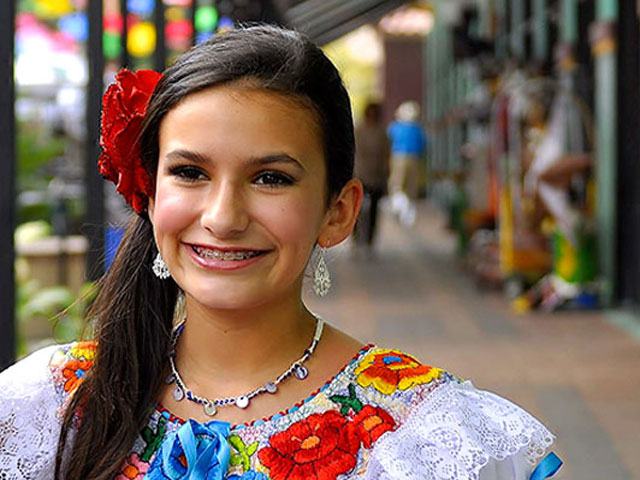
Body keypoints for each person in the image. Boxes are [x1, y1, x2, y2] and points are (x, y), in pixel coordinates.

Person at [0, 25, 562, 480]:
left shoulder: (430, 437)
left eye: (270, 178)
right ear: (149, 194)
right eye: (190, 172)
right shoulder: (50, 406)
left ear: (338, 211)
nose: (222, 217)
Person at [353, 101, 390, 252]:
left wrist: (386, 175)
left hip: (376, 176)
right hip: (360, 174)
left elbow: (386, 155)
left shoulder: (382, 132)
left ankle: (369, 241)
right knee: (356, 208)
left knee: (374, 209)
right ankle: (356, 239)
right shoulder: (358, 130)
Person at [387, 101, 427, 226]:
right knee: (411, 186)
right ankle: (408, 213)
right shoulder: (418, 129)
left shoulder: (395, 127)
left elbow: (387, 141)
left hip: (398, 156)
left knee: (396, 183)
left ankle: (398, 205)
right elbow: (423, 145)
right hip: (415, 158)